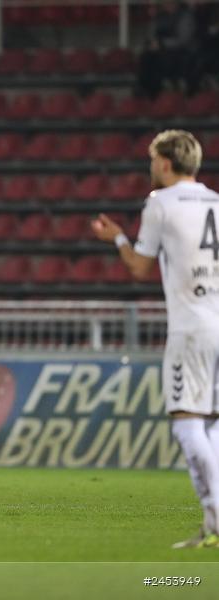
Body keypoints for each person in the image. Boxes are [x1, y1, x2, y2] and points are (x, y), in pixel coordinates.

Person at [91, 130, 219, 549]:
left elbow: (140, 267)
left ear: (165, 162)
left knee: (186, 423)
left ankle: (216, 517)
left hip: (191, 329)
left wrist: (118, 239)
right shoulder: (216, 202)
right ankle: (212, 523)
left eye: (153, 160)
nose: (151, 167)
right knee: (212, 425)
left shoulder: (159, 204)